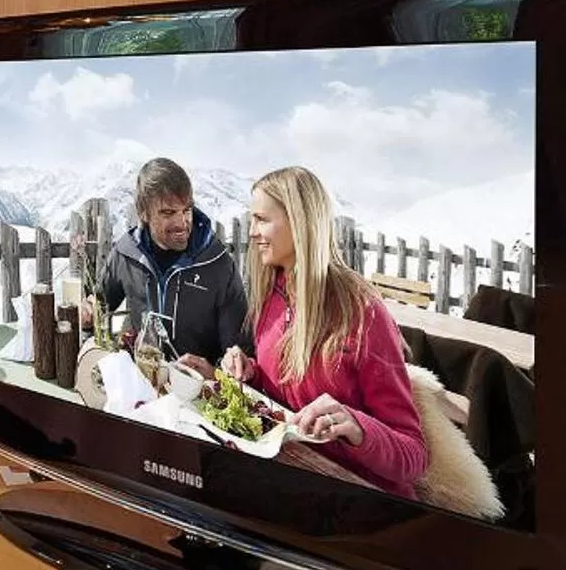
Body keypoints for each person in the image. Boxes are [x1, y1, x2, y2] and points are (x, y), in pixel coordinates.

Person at [220, 165, 426, 498]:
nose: (253, 232)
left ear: (298, 222)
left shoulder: (361, 312)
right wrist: (251, 374)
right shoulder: (270, 297)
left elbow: (413, 457)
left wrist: (359, 429)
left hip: (360, 499)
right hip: (297, 479)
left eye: (261, 219)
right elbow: (287, 399)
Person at [87, 159, 248, 366]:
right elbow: (99, 305)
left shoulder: (219, 264)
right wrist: (88, 310)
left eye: (186, 210)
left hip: (200, 391)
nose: (182, 223)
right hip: (142, 383)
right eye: (168, 213)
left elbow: (239, 352)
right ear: (143, 213)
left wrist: (215, 373)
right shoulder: (126, 253)